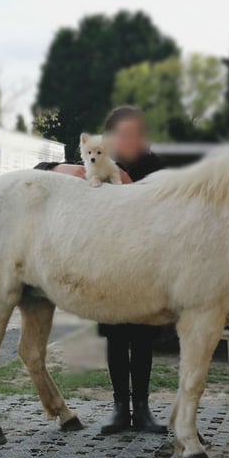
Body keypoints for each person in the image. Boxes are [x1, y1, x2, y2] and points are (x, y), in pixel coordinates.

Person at [35, 106, 166, 435]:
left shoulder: (157, 167)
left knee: (142, 339)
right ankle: (120, 409)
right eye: (123, 134)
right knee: (115, 338)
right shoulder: (95, 160)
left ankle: (143, 410)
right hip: (107, 265)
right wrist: (56, 166)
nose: (131, 139)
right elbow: (37, 172)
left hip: (143, 267)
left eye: (136, 133)